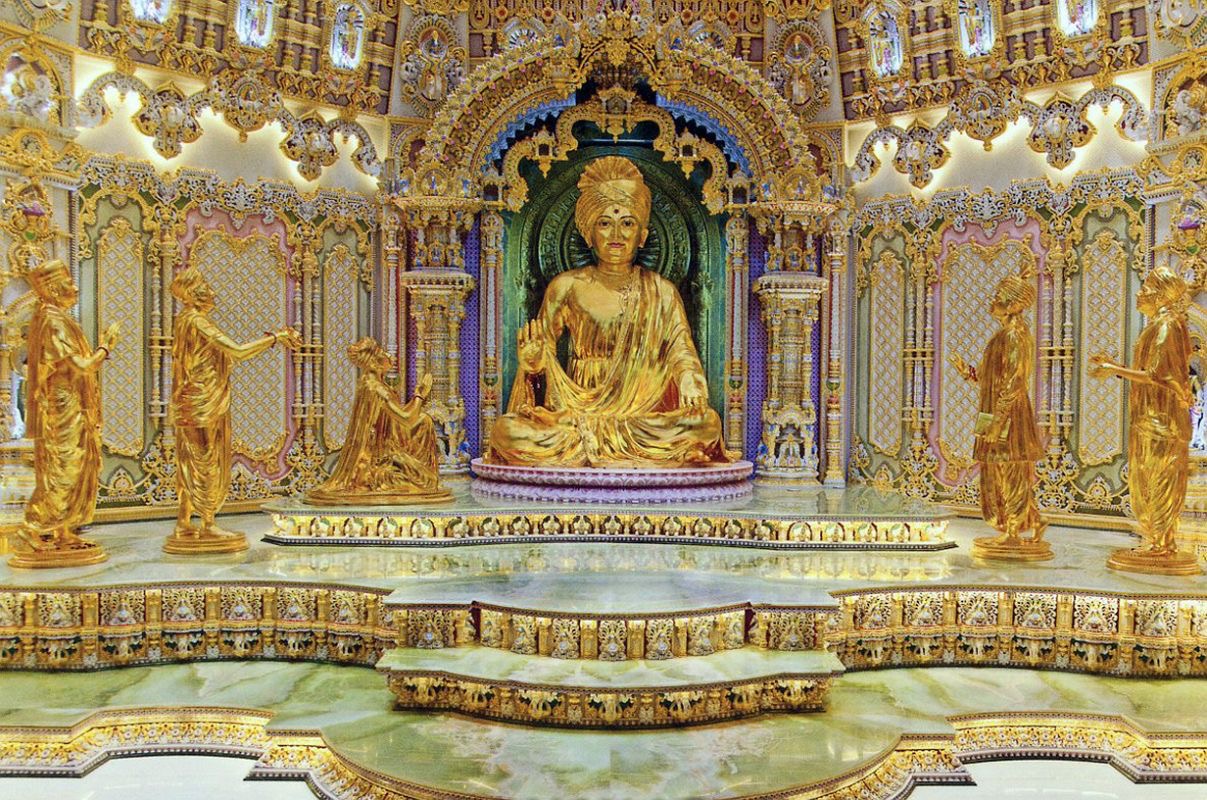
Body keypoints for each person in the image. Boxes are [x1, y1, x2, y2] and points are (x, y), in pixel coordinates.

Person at [486, 155, 736, 468]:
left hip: (641, 418)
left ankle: (602, 450)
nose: (616, 234)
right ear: (588, 233)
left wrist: (690, 380)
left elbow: (680, 350)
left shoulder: (662, 291)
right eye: (605, 223)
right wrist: (534, 365)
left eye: (627, 223)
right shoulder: (566, 286)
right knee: (506, 431)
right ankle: (605, 448)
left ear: (642, 236)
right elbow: (540, 371)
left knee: (706, 424)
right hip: (575, 415)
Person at [168, 267, 300, 554]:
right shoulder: (198, 322)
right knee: (207, 460)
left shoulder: (184, 320)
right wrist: (276, 338)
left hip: (191, 400)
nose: (212, 292)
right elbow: (237, 351)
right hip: (203, 401)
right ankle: (207, 523)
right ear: (193, 293)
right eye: (205, 286)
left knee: (190, 461)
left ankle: (183, 523)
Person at [1091, 267, 1202, 574]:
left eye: (1146, 288)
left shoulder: (1167, 325)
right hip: (1153, 418)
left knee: (1159, 479)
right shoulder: (1162, 324)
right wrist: (1114, 367)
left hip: (1160, 421)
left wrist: (1113, 369)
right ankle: (1158, 541)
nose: (1140, 293)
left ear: (1160, 294)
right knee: (1152, 478)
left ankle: (1162, 544)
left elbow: (1158, 375)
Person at [13, 260, 118, 567]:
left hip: (72, 403)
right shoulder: (52, 320)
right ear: (54, 289)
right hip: (63, 407)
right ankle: (32, 527)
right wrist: (106, 347)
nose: (74, 287)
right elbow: (81, 366)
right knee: (64, 467)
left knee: (75, 463)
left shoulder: (55, 317)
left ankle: (63, 531)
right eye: (69, 282)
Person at [951, 269, 1050, 559]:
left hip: (1009, 415)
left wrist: (998, 421)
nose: (992, 301)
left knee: (1012, 472)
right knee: (1000, 470)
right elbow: (990, 379)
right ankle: (1033, 521)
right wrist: (968, 372)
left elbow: (1015, 382)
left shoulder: (1016, 336)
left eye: (999, 297)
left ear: (1014, 305)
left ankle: (1013, 530)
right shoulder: (1003, 335)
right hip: (995, 412)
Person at [307, 337, 449, 504]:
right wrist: (420, 395)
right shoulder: (377, 389)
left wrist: (416, 400)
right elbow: (406, 419)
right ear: (374, 361)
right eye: (382, 352)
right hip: (381, 456)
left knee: (424, 420)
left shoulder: (369, 382)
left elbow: (399, 418)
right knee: (427, 474)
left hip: (386, 447)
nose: (387, 355)